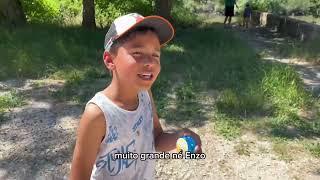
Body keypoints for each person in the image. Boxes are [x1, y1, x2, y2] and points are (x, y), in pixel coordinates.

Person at [69, 13, 202, 180]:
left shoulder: (145, 95)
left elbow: (157, 138)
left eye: (156, 55)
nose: (151, 62)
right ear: (110, 60)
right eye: (138, 52)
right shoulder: (98, 114)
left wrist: (180, 137)